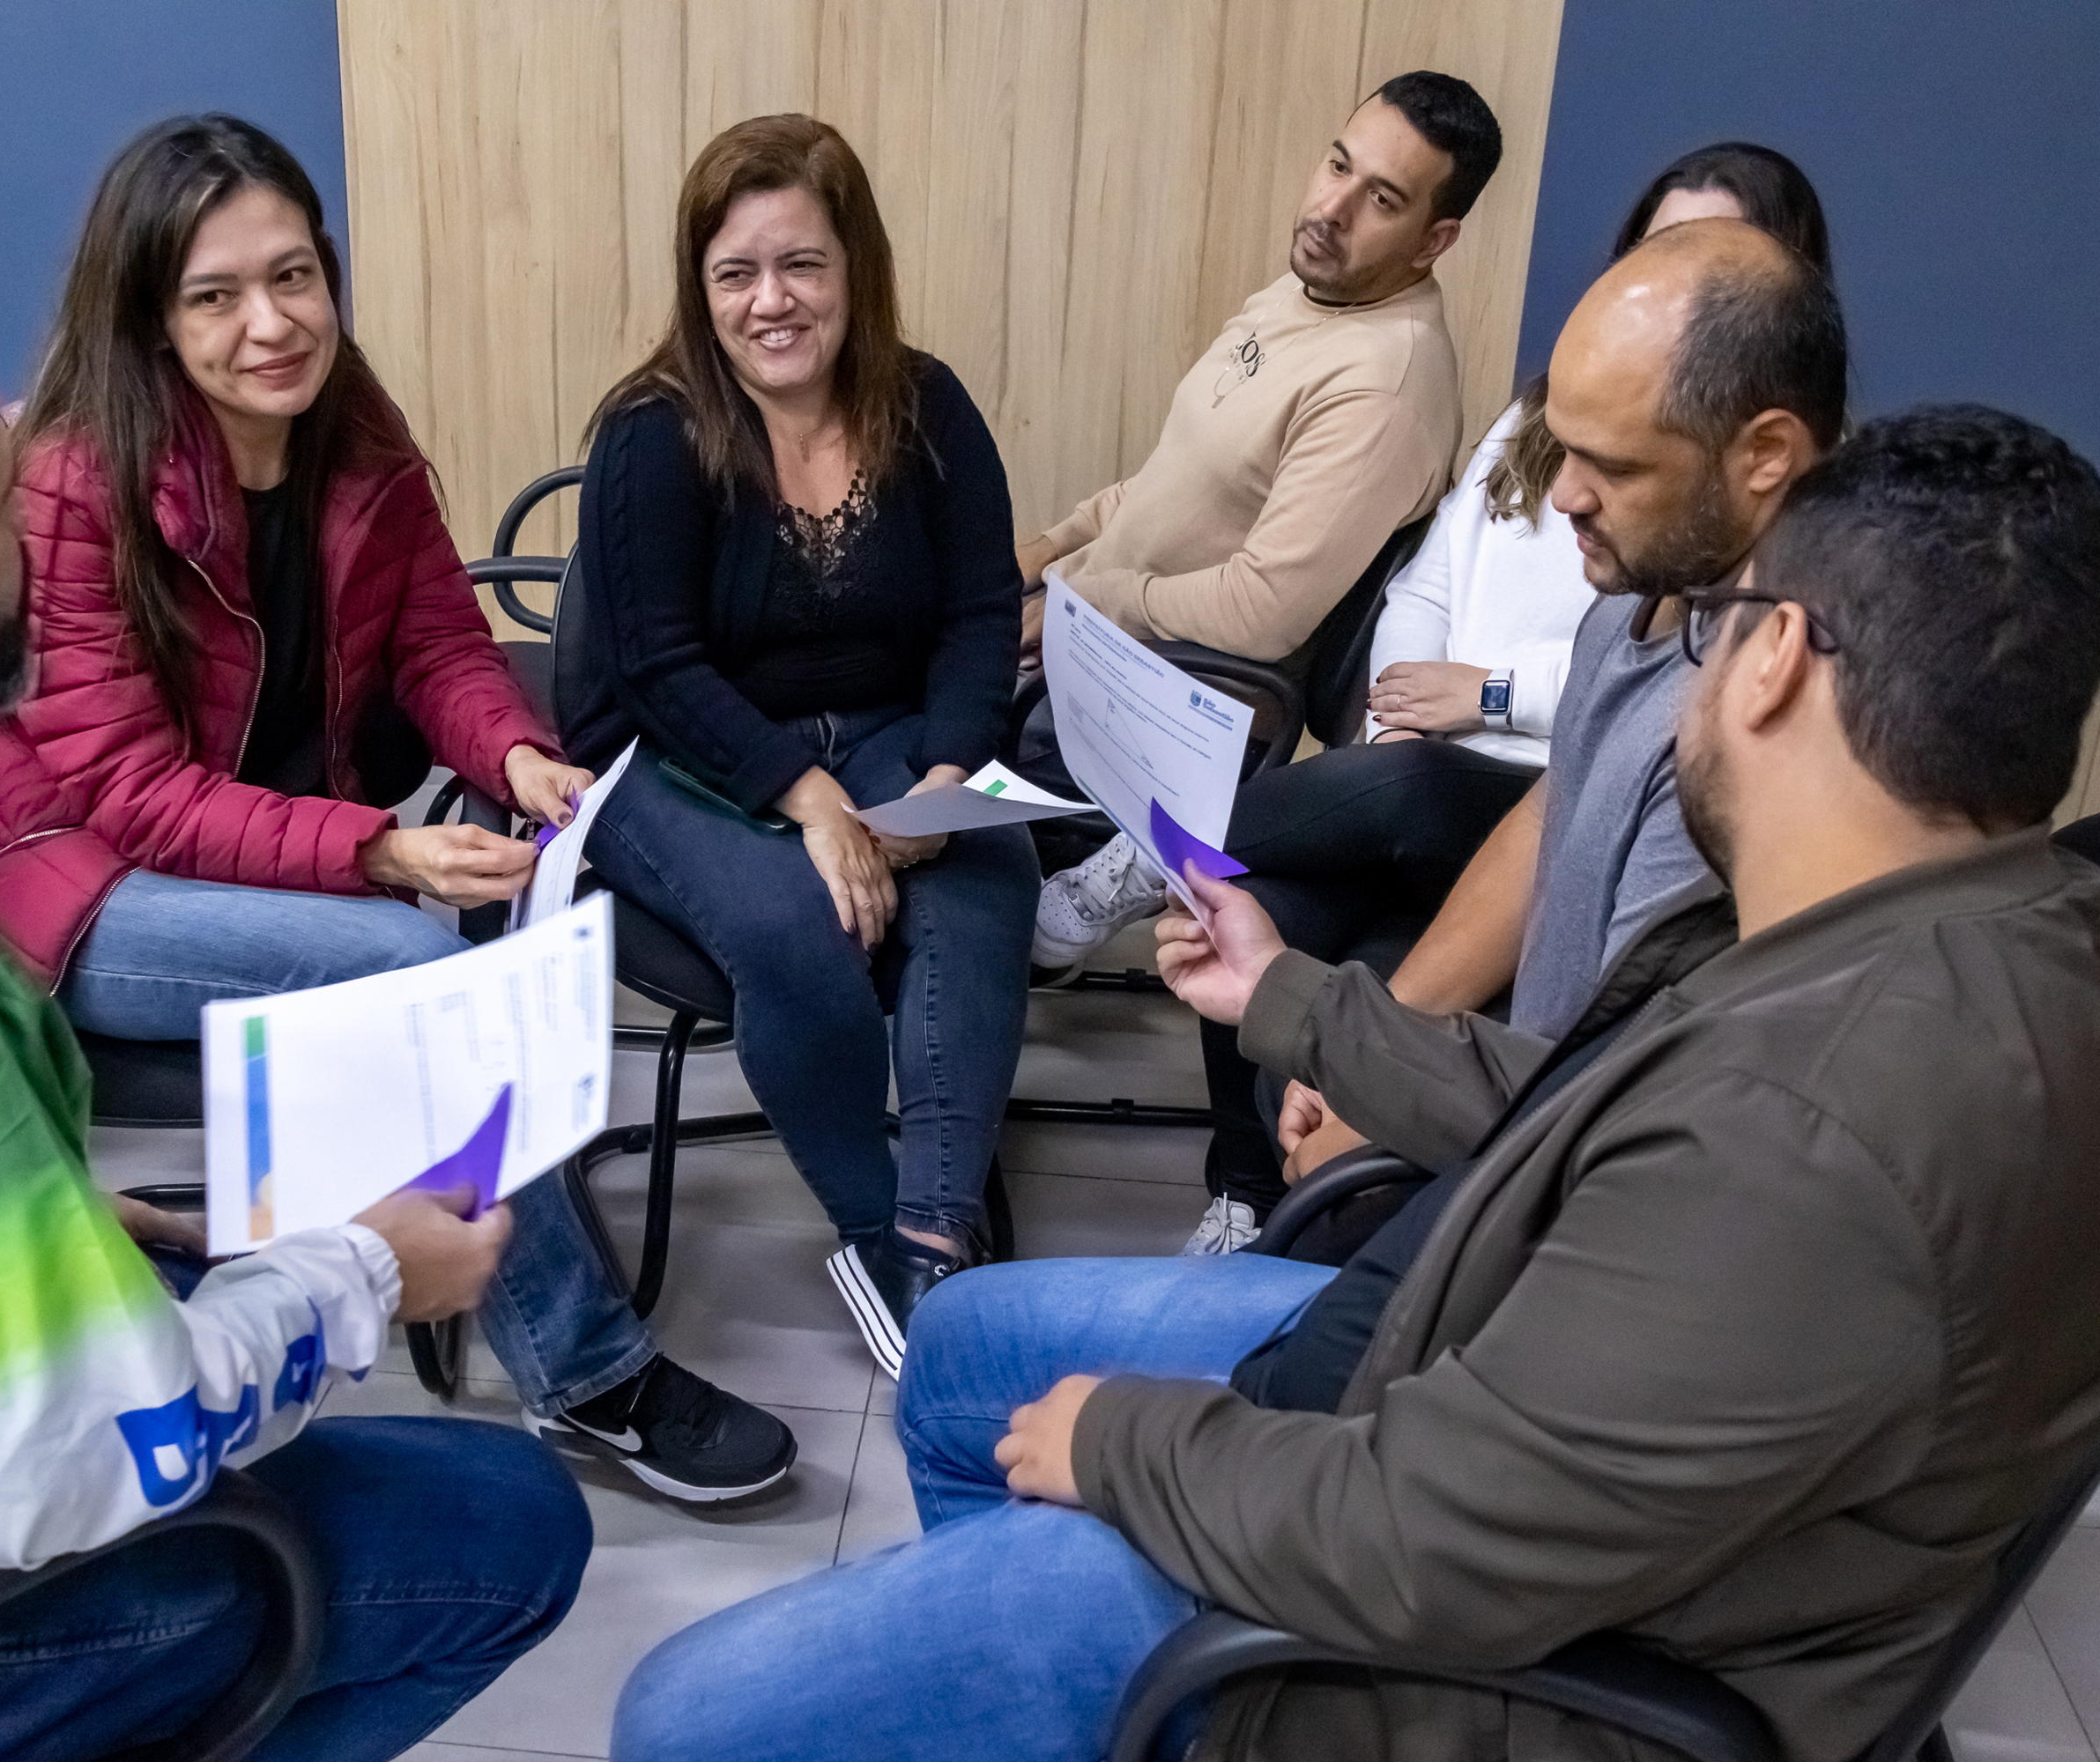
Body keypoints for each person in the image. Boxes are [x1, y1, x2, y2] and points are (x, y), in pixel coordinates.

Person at [610, 403, 2100, 1762]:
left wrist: (1121, 1441)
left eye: (1710, 626)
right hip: (1493, 1388)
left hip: (1432, 1668)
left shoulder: (1819, 1129)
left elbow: (1419, 1542)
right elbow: (1585, 1120)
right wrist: (1296, 1002)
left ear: (1773, 661)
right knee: (962, 1344)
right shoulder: (1943, 945)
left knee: (678, 1721)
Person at [0, 115, 796, 1507]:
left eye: (294, 276)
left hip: (248, 846)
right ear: (150, 317)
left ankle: (450, 1265)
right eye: (216, 296)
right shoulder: (77, 479)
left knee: (457, 944)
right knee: (407, 966)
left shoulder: (353, 429)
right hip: (71, 881)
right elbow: (126, 793)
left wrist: (520, 757)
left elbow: (440, 642)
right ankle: (590, 1376)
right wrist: (377, 852)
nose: (272, 324)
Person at [0, 290, 589, 1762]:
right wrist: (367, 1268)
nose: (26, 535)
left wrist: (39, 1208)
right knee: (507, 1524)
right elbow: (72, 1465)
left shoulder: (364, 453)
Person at [1161, 143, 1832, 1253]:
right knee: (1299, 932)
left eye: (1609, 467)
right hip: (1521, 1108)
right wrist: (1356, 1056)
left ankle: (1152, 826)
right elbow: (1545, 821)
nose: (1564, 496)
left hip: (1568, 1202)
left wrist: (1369, 1081)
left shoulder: (1762, 711)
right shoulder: (1636, 598)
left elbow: (1604, 1090)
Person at [563, 115, 1037, 1378]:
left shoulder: (927, 405)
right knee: (794, 923)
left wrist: (947, 774)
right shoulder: (652, 433)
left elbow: (979, 610)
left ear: (854, 267)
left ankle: (931, 1243)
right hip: (669, 749)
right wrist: (815, 802)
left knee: (989, 865)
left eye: (801, 265)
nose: (770, 302)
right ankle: (873, 1228)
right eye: (736, 273)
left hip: (887, 728)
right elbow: (657, 668)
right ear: (700, 287)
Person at [1006, 70, 1494, 842]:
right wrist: (1047, 549)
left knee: (910, 765)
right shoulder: (1305, 293)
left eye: (1381, 199)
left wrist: (1081, 600)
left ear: (1434, 241)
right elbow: (1182, 478)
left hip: (1163, 717)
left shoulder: (1382, 386)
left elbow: (1258, 613)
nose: (1331, 210)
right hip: (1094, 655)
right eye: (1338, 166)